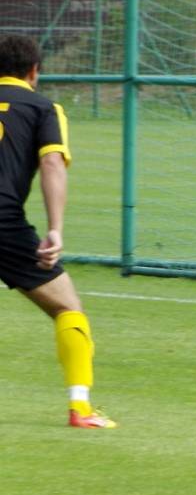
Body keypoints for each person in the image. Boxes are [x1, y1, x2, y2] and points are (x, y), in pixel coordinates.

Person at [0, 34, 117, 427]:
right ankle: (80, 409)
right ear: (35, 72)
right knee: (68, 309)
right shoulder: (43, 108)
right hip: (5, 223)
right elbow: (52, 165)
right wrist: (56, 230)